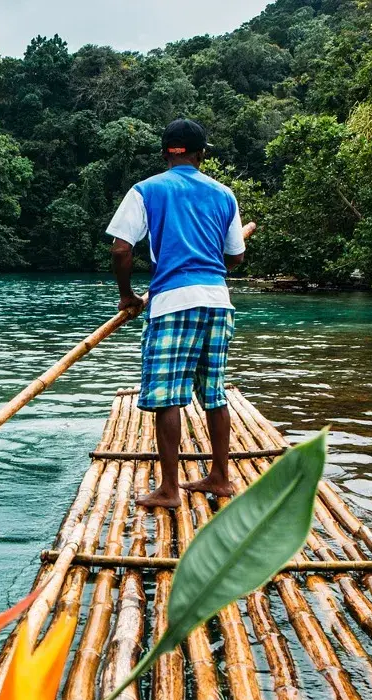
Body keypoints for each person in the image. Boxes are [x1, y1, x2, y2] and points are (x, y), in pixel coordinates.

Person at [106, 118, 256, 509]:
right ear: (201, 154)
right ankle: (220, 477)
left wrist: (127, 296)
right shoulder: (224, 195)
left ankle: (170, 489)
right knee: (214, 393)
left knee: (167, 397)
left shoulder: (147, 190)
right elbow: (236, 257)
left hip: (173, 302)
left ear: (164, 153)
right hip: (218, 302)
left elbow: (121, 250)